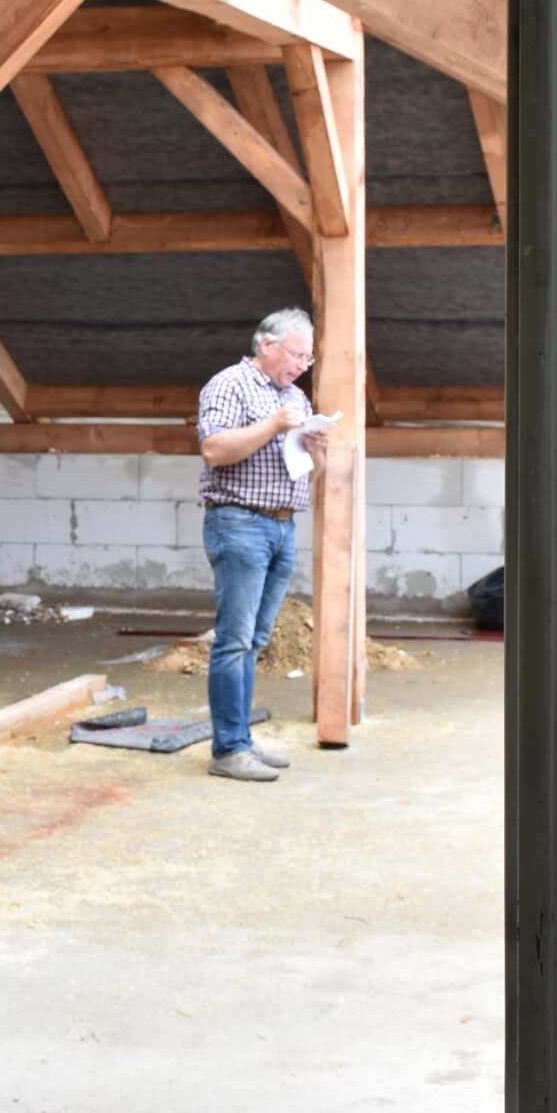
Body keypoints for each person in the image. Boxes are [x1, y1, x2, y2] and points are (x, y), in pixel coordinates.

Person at [195, 307, 328, 781]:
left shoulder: (294, 397)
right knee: (234, 640)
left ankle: (241, 741)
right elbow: (214, 449)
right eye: (296, 355)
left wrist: (316, 450)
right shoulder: (229, 385)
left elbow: (306, 472)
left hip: (281, 525)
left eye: (308, 359)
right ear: (266, 344)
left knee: (253, 640)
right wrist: (274, 425)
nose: (301, 366)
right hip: (239, 522)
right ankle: (228, 751)